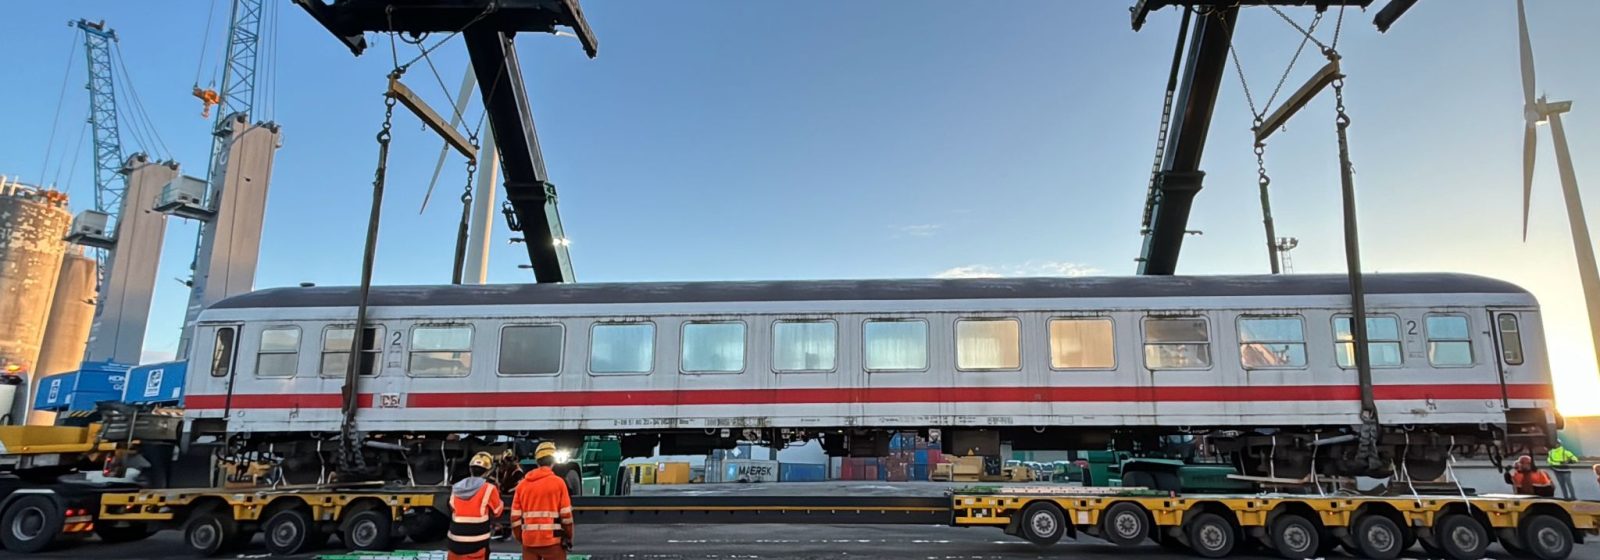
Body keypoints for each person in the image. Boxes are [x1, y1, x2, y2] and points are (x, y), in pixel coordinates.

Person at [512, 442, 574, 560]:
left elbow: (515, 518)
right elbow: (566, 516)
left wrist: (522, 538)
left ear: (537, 461)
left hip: (529, 542)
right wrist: (568, 536)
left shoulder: (522, 485)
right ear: (553, 461)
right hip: (553, 542)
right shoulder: (558, 483)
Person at [447, 452, 505, 560]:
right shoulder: (489, 488)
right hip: (477, 543)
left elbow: (451, 507)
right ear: (488, 471)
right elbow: (497, 512)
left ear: (470, 469)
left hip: (454, 542)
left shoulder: (456, 487)